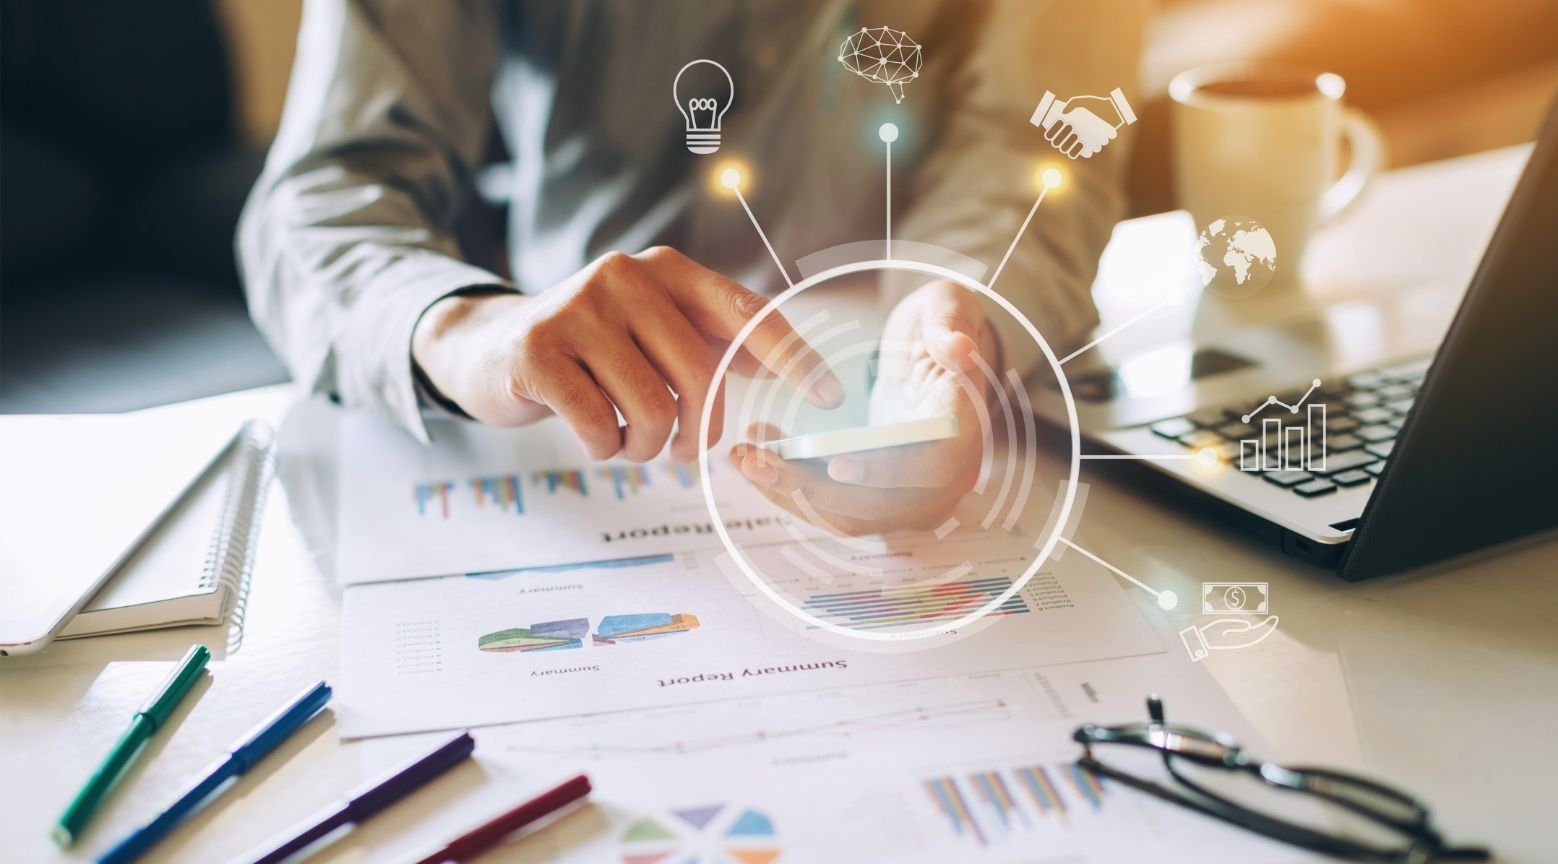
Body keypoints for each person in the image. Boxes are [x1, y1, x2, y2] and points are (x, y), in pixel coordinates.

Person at [240, 0, 1147, 534]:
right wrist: (465, 327)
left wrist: (962, 314)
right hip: (578, 421)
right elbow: (325, 188)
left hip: (940, 405)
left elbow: (1040, 139)